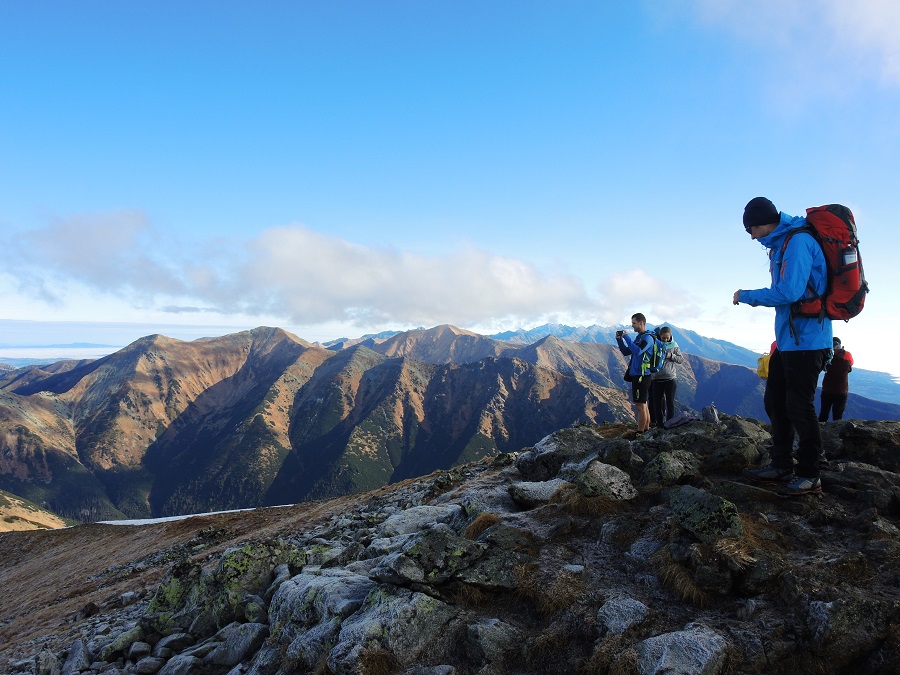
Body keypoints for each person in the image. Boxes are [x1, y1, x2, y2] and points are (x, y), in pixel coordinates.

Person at [733, 197, 833, 495]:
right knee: (775, 401)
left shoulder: (798, 242)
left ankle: (809, 473)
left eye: (750, 230)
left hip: (809, 340)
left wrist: (747, 295)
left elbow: (789, 292)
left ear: (761, 223)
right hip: (790, 341)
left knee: (799, 406)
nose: (751, 236)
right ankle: (781, 464)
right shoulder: (782, 244)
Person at [616, 313, 654, 433]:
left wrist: (626, 337)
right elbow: (627, 351)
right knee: (643, 404)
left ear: (641, 322)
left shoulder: (648, 338)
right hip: (638, 375)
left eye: (634, 323)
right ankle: (646, 429)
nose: (632, 326)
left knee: (640, 406)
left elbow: (637, 351)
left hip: (642, 376)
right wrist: (619, 340)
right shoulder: (639, 337)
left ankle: (640, 433)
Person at [649, 326, 684, 428]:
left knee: (670, 402)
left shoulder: (674, 345)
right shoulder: (655, 344)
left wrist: (671, 356)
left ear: (670, 336)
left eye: (667, 338)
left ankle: (670, 424)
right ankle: (659, 424)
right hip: (656, 378)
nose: (665, 340)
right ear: (660, 336)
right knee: (657, 403)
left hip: (670, 378)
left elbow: (680, 360)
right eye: (663, 338)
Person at [819, 337, 854, 421]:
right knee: (837, 417)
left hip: (827, 389)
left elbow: (823, 367)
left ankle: (819, 432)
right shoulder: (847, 354)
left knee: (823, 414)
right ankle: (837, 433)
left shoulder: (827, 354)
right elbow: (850, 365)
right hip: (841, 391)